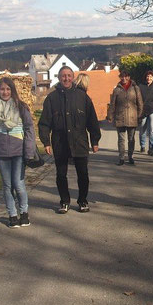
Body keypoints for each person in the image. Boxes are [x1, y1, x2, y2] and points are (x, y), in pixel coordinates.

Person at [38, 66, 101, 214]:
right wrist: (46, 142)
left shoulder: (82, 97)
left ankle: (82, 201)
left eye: (69, 76)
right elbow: (44, 123)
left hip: (79, 141)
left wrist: (95, 140)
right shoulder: (51, 99)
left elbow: (92, 120)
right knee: (61, 175)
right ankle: (64, 201)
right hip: (60, 142)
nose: (66, 79)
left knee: (83, 174)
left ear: (73, 77)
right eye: (63, 76)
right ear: (59, 78)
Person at [0, 77, 36, 228]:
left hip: (18, 151)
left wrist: (29, 151)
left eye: (8, 89)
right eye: (2, 89)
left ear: (12, 90)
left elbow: (29, 129)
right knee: (7, 186)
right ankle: (12, 215)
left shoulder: (21, 107)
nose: (5, 92)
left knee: (19, 184)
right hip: (1, 153)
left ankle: (24, 212)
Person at [107, 70, 143, 165]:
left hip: (132, 117)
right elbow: (112, 104)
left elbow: (140, 103)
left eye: (126, 76)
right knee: (121, 139)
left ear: (129, 77)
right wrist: (110, 115)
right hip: (120, 117)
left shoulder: (136, 88)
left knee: (131, 139)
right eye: (122, 77)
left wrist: (139, 115)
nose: (124, 78)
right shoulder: (117, 90)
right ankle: (121, 158)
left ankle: (130, 156)